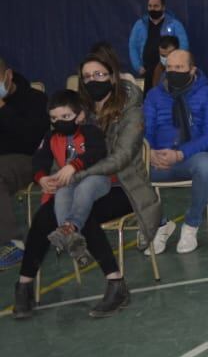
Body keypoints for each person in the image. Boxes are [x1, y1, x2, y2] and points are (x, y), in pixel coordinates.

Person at [12, 51, 162, 320]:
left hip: (124, 187)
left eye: (99, 74)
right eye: (87, 76)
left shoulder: (131, 111)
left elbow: (121, 157)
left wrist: (75, 174)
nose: (93, 80)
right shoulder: (76, 111)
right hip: (79, 183)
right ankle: (24, 284)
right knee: (45, 216)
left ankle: (116, 284)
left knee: (85, 211)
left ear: (112, 76)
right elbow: (58, 152)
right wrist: (49, 178)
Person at [144, 50, 208, 254]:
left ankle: (191, 225)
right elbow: (145, 130)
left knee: (207, 165)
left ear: (192, 69)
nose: (173, 71)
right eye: (169, 68)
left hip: (190, 158)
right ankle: (160, 225)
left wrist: (180, 154)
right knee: (130, 169)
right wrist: (149, 153)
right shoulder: (154, 95)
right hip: (158, 160)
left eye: (179, 68)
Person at [33, 90, 109, 269]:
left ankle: (70, 227)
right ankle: (75, 244)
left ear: (80, 115)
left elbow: (98, 151)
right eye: (54, 118)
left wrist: (74, 165)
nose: (59, 122)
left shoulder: (91, 130)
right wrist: (41, 178)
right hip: (70, 182)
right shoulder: (50, 136)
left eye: (66, 116)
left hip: (98, 178)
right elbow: (39, 160)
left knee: (85, 187)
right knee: (61, 194)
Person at [0, 57, 47, 270]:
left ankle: (12, 244)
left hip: (28, 159)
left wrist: (3, 109)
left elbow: (30, 139)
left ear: (8, 76)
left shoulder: (35, 99)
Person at [127, 0, 189, 79]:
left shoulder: (175, 24)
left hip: (167, 71)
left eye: (156, 6)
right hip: (146, 71)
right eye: (150, 6)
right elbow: (133, 46)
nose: (152, 9)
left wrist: (175, 66)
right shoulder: (139, 25)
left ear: (163, 7)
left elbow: (183, 46)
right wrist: (138, 67)